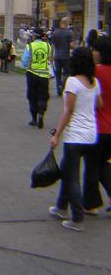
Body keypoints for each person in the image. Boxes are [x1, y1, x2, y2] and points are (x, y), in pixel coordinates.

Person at [49, 47, 102, 231]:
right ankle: (61, 206)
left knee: (71, 177)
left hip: (75, 136)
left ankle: (77, 217)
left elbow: (68, 111)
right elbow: (99, 104)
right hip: (91, 135)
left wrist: (56, 134)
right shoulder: (94, 83)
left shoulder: (72, 82)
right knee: (66, 169)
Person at [82, 36, 111, 213]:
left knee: (92, 166)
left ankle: (91, 204)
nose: (93, 53)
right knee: (102, 164)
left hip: (96, 127)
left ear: (100, 53)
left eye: (94, 50)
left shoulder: (95, 73)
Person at [23, 27, 53, 129]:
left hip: (32, 73)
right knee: (43, 96)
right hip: (44, 74)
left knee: (32, 96)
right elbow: (49, 59)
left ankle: (34, 118)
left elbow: (25, 61)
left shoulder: (30, 46)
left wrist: (27, 66)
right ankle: (41, 113)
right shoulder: (48, 46)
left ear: (35, 36)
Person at [51, 17, 75, 96]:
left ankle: (58, 88)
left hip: (57, 56)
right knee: (66, 73)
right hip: (66, 56)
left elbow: (52, 45)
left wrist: (51, 56)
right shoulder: (69, 33)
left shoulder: (55, 32)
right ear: (66, 23)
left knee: (58, 73)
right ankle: (62, 83)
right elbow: (71, 46)